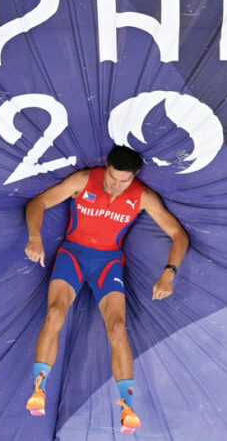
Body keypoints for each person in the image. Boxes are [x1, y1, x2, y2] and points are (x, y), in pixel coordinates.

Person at [23, 146, 188, 434]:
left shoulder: (143, 197)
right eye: (113, 178)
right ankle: (39, 388)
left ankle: (127, 407)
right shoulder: (84, 180)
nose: (116, 185)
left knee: (117, 328)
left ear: (135, 176)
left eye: (124, 181)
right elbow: (38, 203)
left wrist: (169, 273)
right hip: (72, 255)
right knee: (54, 312)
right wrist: (34, 237)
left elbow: (178, 234)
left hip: (108, 263)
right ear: (107, 167)